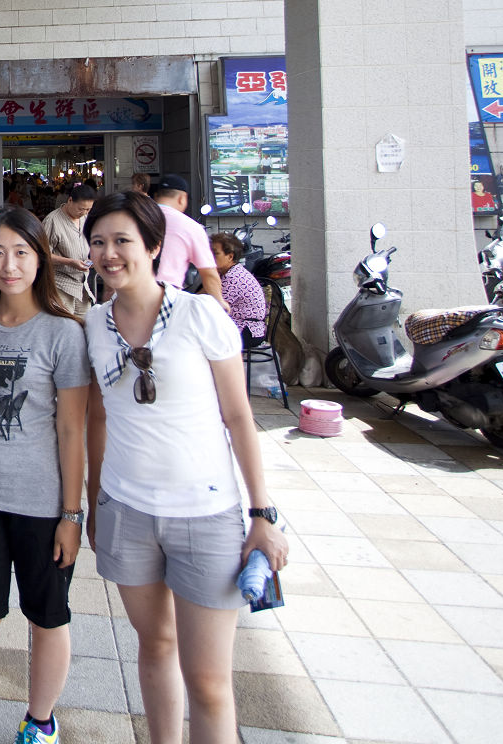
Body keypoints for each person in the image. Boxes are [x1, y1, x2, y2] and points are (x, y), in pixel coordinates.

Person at [82, 191, 288, 744]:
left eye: (122, 241)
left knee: (209, 681)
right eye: (98, 242)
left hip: (206, 513)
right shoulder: (94, 323)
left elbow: (239, 417)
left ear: (154, 246)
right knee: (155, 646)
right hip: (126, 510)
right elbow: (98, 418)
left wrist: (262, 513)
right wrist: (93, 502)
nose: (109, 254)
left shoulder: (200, 314)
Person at [0, 207, 89, 744]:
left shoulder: (64, 333)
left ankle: (40, 721)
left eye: (22, 253)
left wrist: (71, 515)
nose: (9, 265)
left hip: (43, 505)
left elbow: (72, 430)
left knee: (47, 617)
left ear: (41, 258)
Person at [149, 177, 222, 300]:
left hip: (128, 295)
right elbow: (209, 274)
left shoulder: (135, 218)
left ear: (156, 196)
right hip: (166, 297)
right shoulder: (190, 226)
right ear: (182, 199)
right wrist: (219, 301)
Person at [40, 184, 96, 314]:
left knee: (85, 322)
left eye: (88, 209)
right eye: (81, 209)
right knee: (65, 322)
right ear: (70, 200)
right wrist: (70, 262)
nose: (84, 213)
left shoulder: (85, 218)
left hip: (82, 284)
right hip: (60, 285)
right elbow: (42, 254)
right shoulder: (52, 221)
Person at [210, 233, 267, 345]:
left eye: (215, 253)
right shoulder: (227, 272)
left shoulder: (232, 277)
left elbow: (213, 306)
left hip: (247, 329)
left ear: (230, 257)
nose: (211, 257)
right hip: (237, 324)